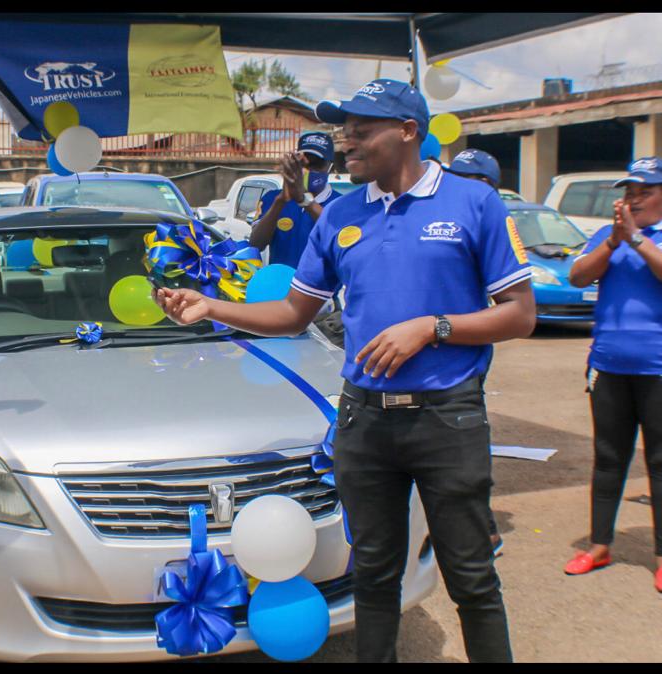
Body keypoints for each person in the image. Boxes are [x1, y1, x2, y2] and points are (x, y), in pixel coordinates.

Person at [153, 79, 536, 663]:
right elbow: (291, 312)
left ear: (408, 131)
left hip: (447, 421)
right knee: (375, 580)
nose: (345, 144)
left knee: (471, 579)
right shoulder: (340, 214)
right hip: (364, 424)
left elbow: (520, 314)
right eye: (343, 132)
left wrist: (432, 327)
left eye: (360, 132)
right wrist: (212, 306)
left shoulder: (473, 203)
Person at [564, 157, 662, 593]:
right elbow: (576, 275)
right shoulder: (607, 236)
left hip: (657, 368)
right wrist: (614, 242)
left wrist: (636, 239)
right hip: (608, 366)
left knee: (659, 462)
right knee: (608, 458)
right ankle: (599, 545)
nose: (633, 198)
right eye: (629, 191)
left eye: (644, 191)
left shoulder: (649, 239)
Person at [446, 148, 507, 556]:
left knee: (465, 442)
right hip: (438, 346)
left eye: (473, 180)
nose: (463, 186)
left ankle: (484, 530)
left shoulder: (492, 220)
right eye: (458, 177)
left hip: (465, 346)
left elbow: (513, 305)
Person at [249, 131, 345, 347]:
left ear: (330, 166)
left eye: (317, 164)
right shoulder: (272, 198)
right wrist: (282, 201)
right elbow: (256, 243)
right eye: (305, 164)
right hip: (276, 303)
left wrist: (304, 200)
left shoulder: (341, 204)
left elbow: (338, 238)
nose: (310, 171)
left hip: (323, 312)